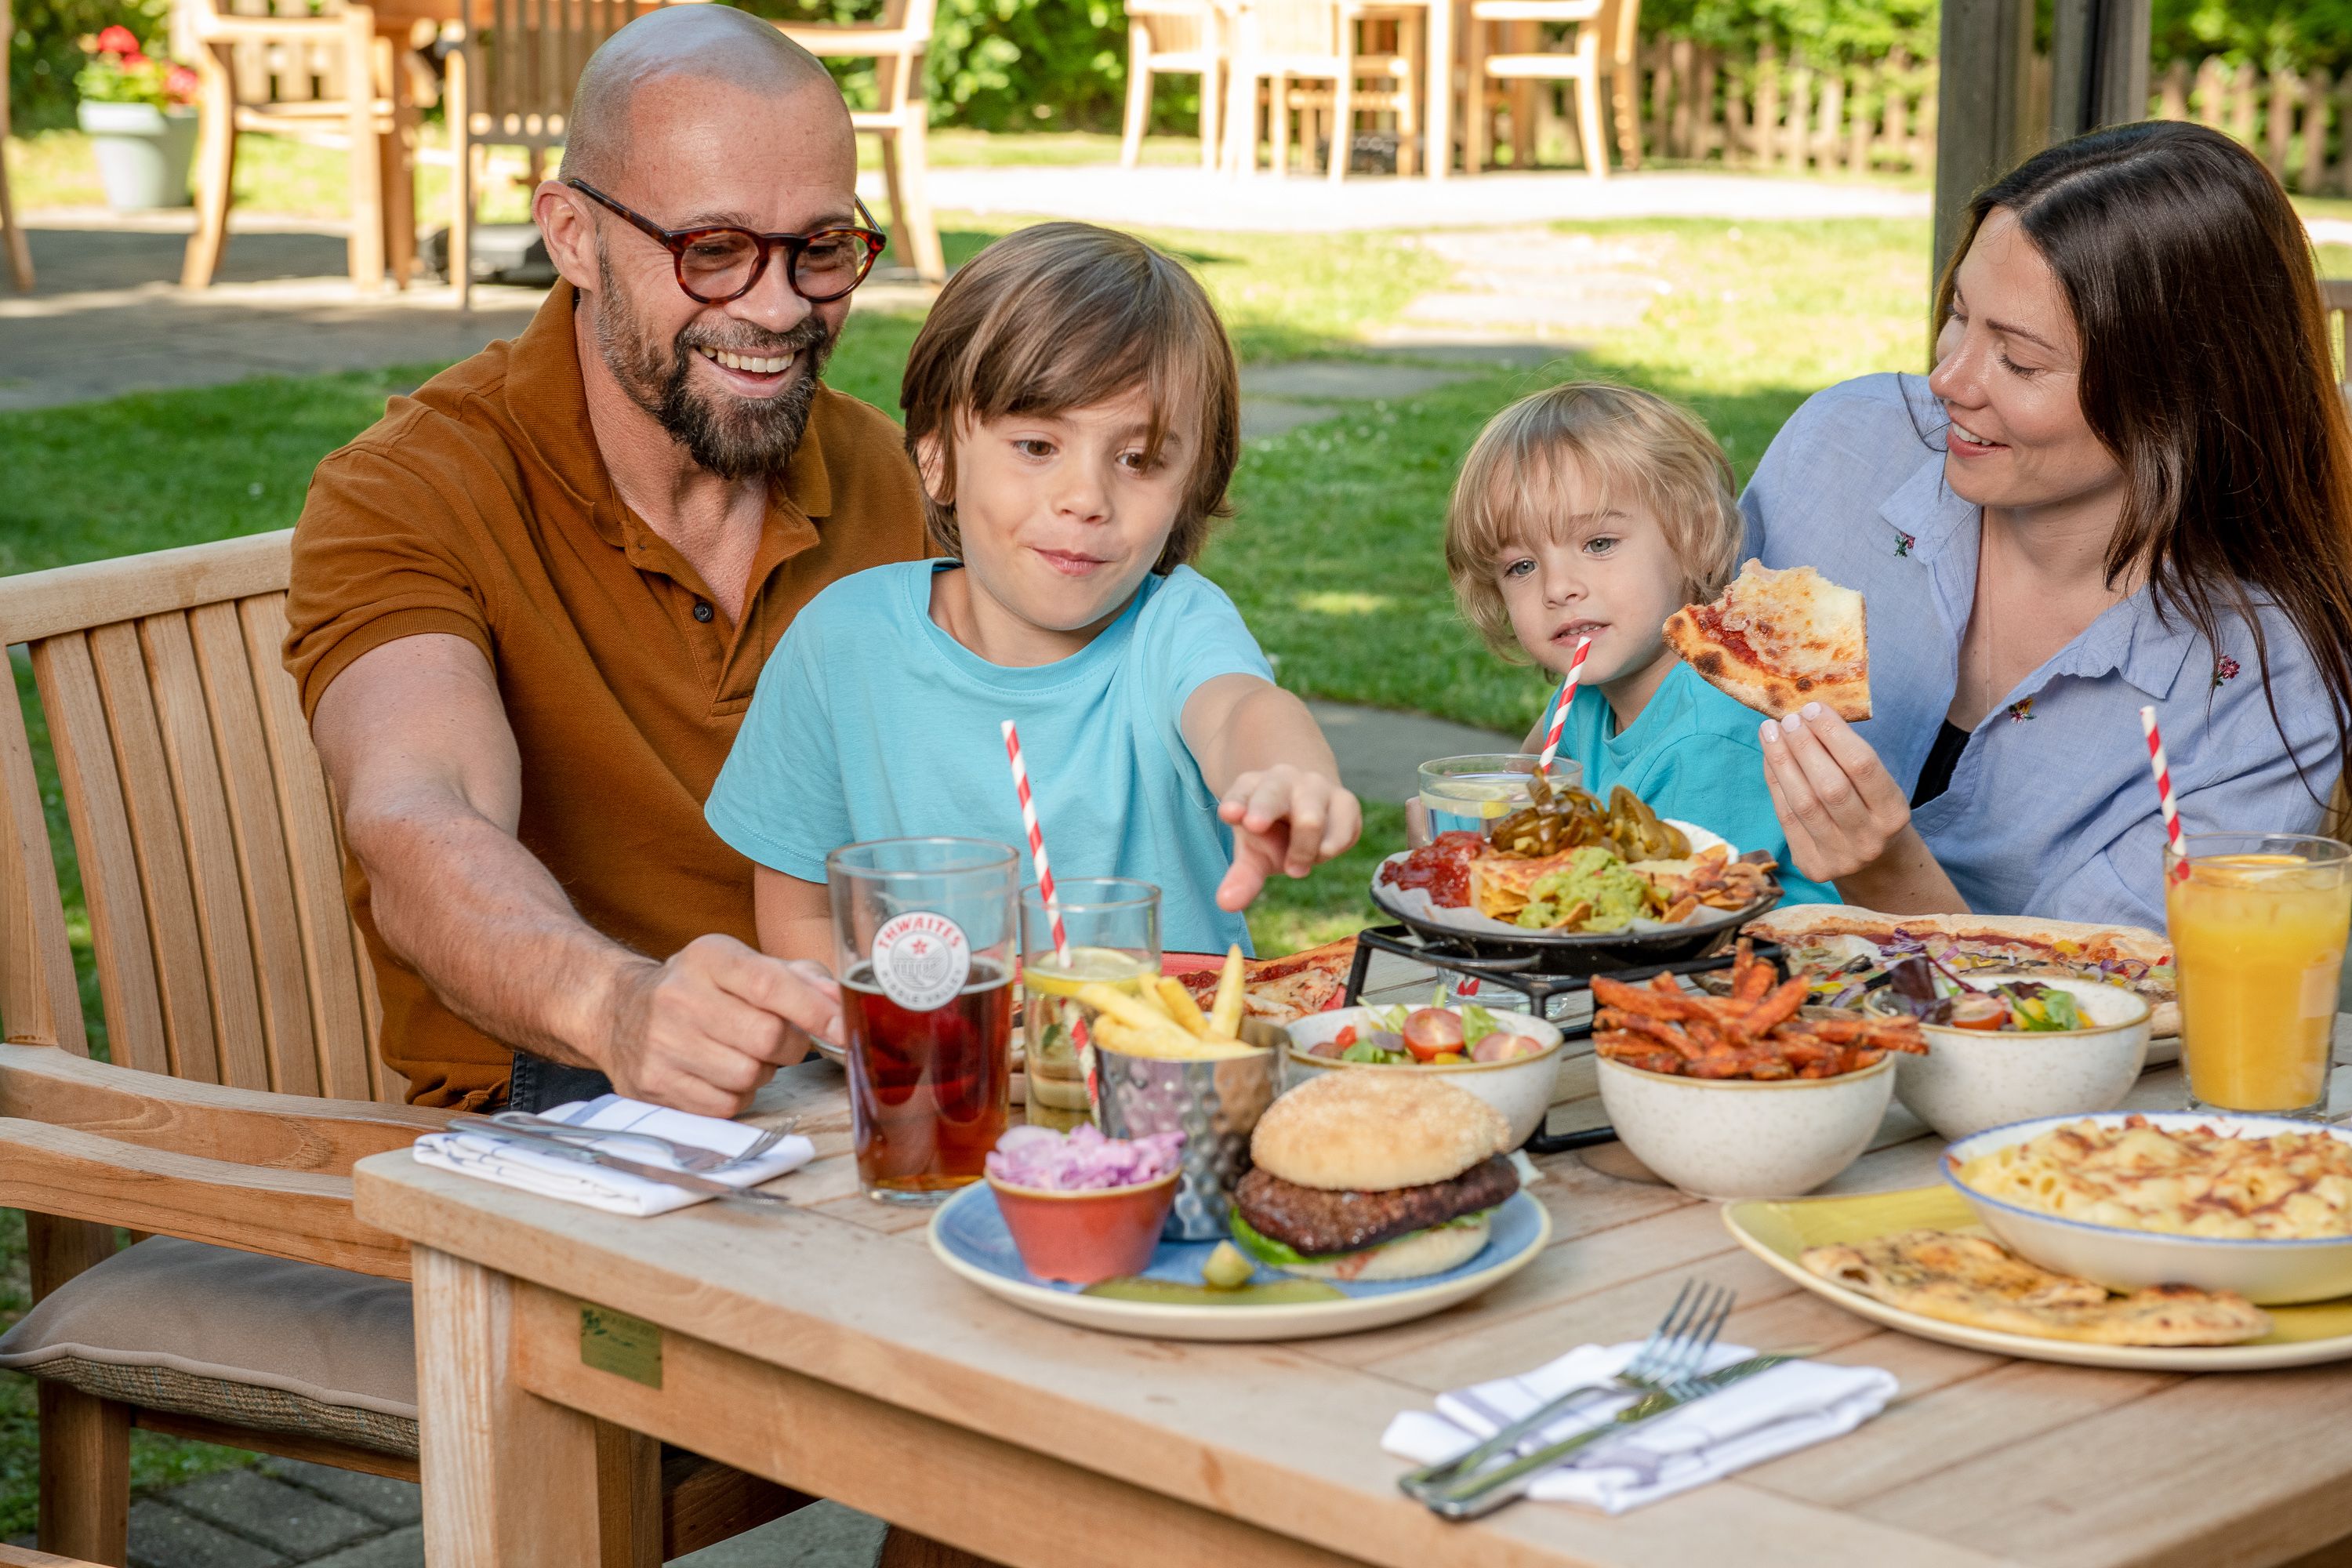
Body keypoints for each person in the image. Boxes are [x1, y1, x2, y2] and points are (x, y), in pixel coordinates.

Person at [285, 5, 924, 1116]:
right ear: (573, 235)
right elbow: (419, 815)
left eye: (821, 249)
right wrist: (618, 1005)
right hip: (563, 1112)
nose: (778, 307)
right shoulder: (413, 488)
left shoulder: (896, 474)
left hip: (869, 1085)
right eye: (712, 251)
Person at [1740, 120, 2352, 928]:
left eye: (2020, 360)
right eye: (1959, 315)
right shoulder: (1842, 443)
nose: (1948, 379)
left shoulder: (2262, 695)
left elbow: (2112, 991)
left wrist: (1885, 875)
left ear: (2176, 399)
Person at [705, 223, 1363, 960]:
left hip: (1173, 1037)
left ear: (1191, 486)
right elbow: (800, 920)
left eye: (1139, 459)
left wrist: (1284, 774)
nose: (1086, 499)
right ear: (938, 460)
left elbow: (1240, 711)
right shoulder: (840, 645)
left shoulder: (1176, 627)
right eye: (1037, 446)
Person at [1439, 381, 1836, 904]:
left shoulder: (1709, 737)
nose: (1558, 588)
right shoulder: (1583, 700)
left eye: (1598, 543)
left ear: (1692, 537)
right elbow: (1513, 807)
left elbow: (1675, 917)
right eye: (1522, 566)